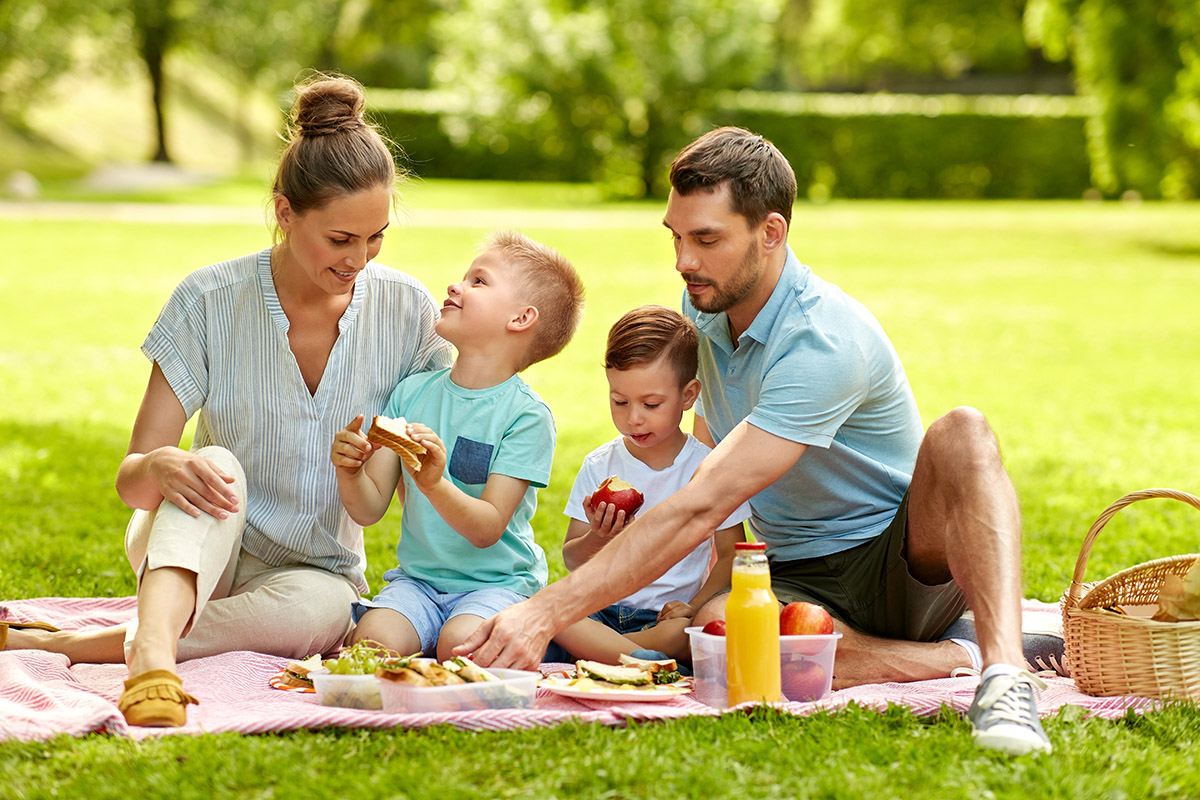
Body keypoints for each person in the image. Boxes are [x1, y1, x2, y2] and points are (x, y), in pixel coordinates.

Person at [457, 126, 1054, 756]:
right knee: (715, 635)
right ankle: (952, 656)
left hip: (898, 562)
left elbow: (706, 499)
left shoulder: (822, 337)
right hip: (787, 571)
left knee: (963, 429)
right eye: (677, 237)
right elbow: (709, 442)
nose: (684, 261)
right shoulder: (704, 308)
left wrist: (543, 611)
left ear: (770, 233)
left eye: (706, 239)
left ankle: (1006, 673)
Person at [0, 74, 452, 728]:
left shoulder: (407, 311)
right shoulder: (209, 300)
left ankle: (70, 644)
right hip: (193, 539)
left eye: (375, 236)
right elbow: (133, 478)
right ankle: (151, 658)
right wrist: (159, 466)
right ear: (285, 211)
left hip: (311, 576)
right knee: (215, 464)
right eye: (340, 239)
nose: (360, 258)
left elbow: (423, 468)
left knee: (325, 614)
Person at [330, 230, 585, 662]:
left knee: (461, 648)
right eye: (465, 277)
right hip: (418, 584)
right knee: (372, 646)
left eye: (479, 282)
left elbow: (487, 528)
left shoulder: (527, 417)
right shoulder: (411, 394)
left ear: (521, 318)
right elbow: (369, 510)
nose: (455, 286)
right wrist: (350, 471)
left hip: (497, 586)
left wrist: (433, 483)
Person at [554, 305, 749, 659]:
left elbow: (731, 555)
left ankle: (606, 656)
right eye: (620, 401)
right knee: (555, 609)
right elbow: (572, 559)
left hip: (663, 620)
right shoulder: (601, 465)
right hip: (599, 610)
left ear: (689, 396)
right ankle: (640, 661)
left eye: (651, 404)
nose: (634, 418)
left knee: (693, 631)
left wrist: (693, 605)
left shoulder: (707, 467)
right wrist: (598, 537)